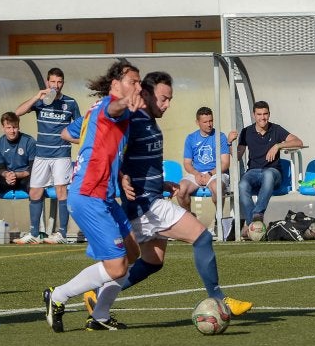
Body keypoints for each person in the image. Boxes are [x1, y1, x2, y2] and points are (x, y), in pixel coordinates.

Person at [83, 71, 253, 323]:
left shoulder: (149, 121)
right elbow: (108, 150)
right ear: (148, 95)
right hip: (145, 205)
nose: (167, 104)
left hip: (149, 199)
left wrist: (161, 183)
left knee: (152, 261)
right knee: (202, 237)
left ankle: (97, 295)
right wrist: (120, 178)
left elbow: (139, 162)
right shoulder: (134, 119)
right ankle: (219, 300)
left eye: (170, 99)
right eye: (163, 99)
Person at [43, 60, 144, 332]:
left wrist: (99, 151)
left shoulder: (93, 110)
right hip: (89, 193)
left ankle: (99, 316)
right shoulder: (114, 107)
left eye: (139, 82)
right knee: (117, 266)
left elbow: (66, 133)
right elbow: (115, 108)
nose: (138, 86)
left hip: (105, 195)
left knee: (133, 252)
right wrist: (125, 104)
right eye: (133, 82)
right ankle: (58, 296)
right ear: (115, 85)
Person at [14, 67, 81, 244]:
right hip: (41, 154)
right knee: (35, 191)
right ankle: (34, 233)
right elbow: (17, 113)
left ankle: (62, 234)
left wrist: (72, 140)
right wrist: (37, 96)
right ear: (47, 82)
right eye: (53, 82)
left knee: (61, 191)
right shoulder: (41, 101)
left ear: (63, 83)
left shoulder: (71, 103)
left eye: (59, 82)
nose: (56, 85)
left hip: (61, 154)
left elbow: (81, 130)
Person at [233, 100, 303, 236]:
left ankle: (257, 214)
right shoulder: (246, 131)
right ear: (254, 115)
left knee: (268, 175)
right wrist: (230, 142)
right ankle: (254, 227)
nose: (262, 117)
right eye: (259, 114)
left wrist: (278, 145)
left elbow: (298, 142)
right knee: (242, 185)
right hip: (253, 172)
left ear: (269, 114)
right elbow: (236, 156)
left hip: (273, 173)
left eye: (265, 114)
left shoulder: (276, 129)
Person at [0, 111, 36, 233]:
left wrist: (16, 175)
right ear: (3, 128)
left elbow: (32, 169)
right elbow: (1, 169)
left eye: (14, 127)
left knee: (36, 187)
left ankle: (36, 230)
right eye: (8, 127)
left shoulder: (29, 141)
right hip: (8, 178)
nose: (12, 131)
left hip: (25, 176)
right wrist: (7, 175)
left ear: (19, 126)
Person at [177, 106, 232, 213]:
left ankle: (218, 218)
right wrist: (196, 174)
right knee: (181, 190)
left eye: (211, 121)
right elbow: (187, 163)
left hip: (216, 173)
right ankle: (190, 219)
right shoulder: (191, 138)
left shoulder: (220, 137)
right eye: (205, 122)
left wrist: (210, 174)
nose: (209, 124)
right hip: (197, 173)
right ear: (197, 122)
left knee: (217, 188)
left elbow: (225, 163)